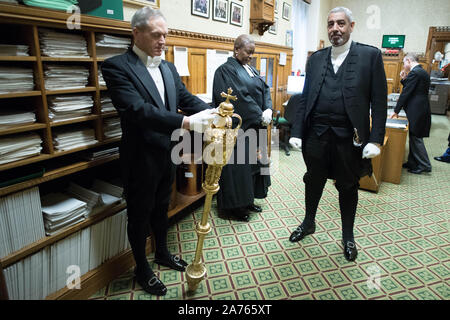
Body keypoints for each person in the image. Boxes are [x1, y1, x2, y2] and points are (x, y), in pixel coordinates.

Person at [102, 7, 215, 296]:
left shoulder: (167, 66)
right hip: (140, 156)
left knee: (163, 207)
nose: (163, 40)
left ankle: (162, 253)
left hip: (168, 151)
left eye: (165, 34)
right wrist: (187, 122)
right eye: (156, 35)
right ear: (136, 33)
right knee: (139, 215)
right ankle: (142, 267)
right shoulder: (116, 66)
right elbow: (138, 110)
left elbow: (186, 98)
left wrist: (215, 112)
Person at [288, 7, 387, 261]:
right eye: (331, 24)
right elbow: (305, 97)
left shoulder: (370, 56)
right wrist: (297, 130)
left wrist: (375, 139)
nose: (335, 29)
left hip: (349, 138)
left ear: (351, 26)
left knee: (347, 187)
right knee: (313, 181)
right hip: (316, 136)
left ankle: (347, 236)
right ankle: (309, 222)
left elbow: (379, 101)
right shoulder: (316, 58)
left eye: (341, 24)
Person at [212, 34, 273, 222]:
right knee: (238, 167)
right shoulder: (225, 71)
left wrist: (268, 107)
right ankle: (233, 207)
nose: (251, 56)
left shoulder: (251, 70)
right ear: (236, 49)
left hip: (256, 125)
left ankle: (247, 201)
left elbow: (265, 89)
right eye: (248, 52)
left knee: (253, 166)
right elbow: (239, 96)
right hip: (239, 127)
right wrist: (259, 114)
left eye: (253, 53)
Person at [390, 53, 432, 174]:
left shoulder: (415, 72)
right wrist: (404, 79)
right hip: (419, 108)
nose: (403, 65)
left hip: (417, 110)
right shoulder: (420, 71)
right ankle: (412, 162)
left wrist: (396, 111)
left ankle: (425, 165)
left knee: (416, 138)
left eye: (404, 63)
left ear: (408, 60)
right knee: (413, 136)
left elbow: (406, 92)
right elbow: (412, 87)